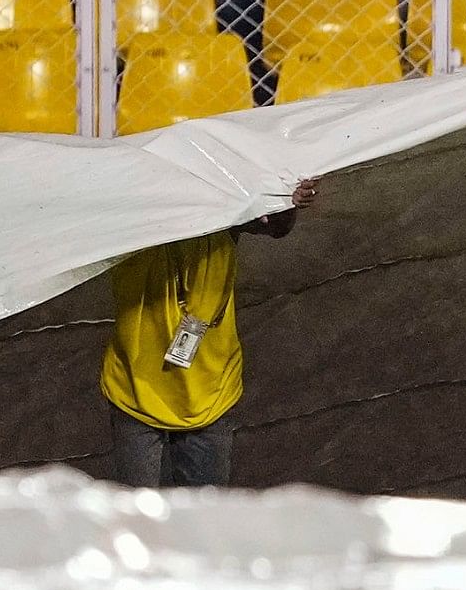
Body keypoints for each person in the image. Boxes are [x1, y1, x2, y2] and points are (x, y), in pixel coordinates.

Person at [99, 181, 321, 488]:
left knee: (203, 526)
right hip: (135, 389)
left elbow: (275, 222)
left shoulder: (215, 186)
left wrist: (288, 196)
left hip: (209, 392)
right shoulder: (123, 196)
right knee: (137, 526)